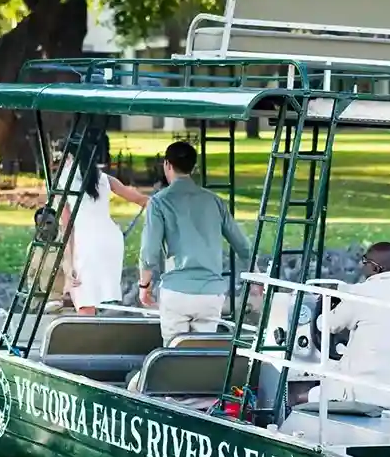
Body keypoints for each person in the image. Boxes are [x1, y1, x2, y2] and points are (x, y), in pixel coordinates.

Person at [137, 141, 252, 342]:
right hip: (211, 293)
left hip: (177, 291)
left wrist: (144, 286)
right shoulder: (215, 201)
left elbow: (150, 251)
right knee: (201, 356)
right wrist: (256, 274)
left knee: (173, 353)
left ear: (167, 165)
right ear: (193, 167)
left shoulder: (159, 202)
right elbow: (241, 244)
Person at [308, 241, 390, 411]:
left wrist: (331, 302)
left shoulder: (361, 294)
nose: (362, 267)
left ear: (375, 268)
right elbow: (386, 296)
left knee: (307, 394)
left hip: (366, 395)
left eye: (365, 262)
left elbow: (329, 325)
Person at [59, 135, 149, 314]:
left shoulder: (63, 182)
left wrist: (68, 266)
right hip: (111, 241)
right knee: (94, 297)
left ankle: (90, 338)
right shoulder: (103, 178)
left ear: (68, 157)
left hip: (86, 243)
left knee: (83, 300)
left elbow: (68, 227)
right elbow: (142, 200)